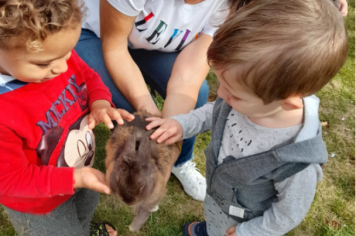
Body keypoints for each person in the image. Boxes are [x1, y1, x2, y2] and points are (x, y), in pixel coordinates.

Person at [145, 0, 348, 235]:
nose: (220, 95)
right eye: (220, 84)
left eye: (232, 94)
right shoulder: (252, 99)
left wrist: (249, 232)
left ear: (286, 101)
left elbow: (287, 214)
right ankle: (210, 228)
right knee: (215, 222)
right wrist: (182, 124)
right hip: (220, 197)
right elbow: (216, 111)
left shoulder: (297, 163)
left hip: (244, 222)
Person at [75, 0, 231, 201]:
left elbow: (189, 78)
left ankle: (179, 161)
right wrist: (148, 112)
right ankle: (130, 168)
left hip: (152, 45)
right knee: (127, 111)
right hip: (98, 34)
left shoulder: (229, 5)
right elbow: (115, 47)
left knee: (198, 95)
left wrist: (168, 141)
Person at [0, 1, 134, 235]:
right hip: (39, 204)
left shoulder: (54, 52)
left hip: (82, 170)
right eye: (44, 63)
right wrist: (75, 177)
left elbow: (89, 77)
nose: (63, 67)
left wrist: (99, 103)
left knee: (84, 211)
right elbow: (9, 179)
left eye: (68, 52)